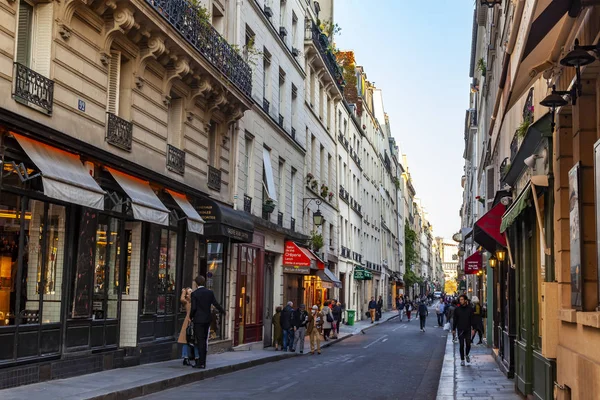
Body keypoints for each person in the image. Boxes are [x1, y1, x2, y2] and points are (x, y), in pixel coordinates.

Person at [190, 275, 226, 369]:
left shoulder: (194, 293)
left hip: (198, 320)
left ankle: (200, 363)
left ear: (196, 283)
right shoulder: (209, 292)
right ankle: (203, 362)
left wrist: (191, 317)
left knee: (200, 340)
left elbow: (193, 308)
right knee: (204, 340)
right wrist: (223, 311)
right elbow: (215, 303)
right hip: (207, 319)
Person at [178, 287, 198, 366]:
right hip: (188, 321)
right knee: (185, 341)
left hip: (195, 320)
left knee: (196, 341)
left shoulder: (195, 299)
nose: (191, 292)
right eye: (189, 291)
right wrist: (183, 292)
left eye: (191, 290)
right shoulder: (186, 300)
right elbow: (182, 299)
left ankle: (197, 357)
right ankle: (185, 358)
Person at [453, 294, 474, 366]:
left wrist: (473, 328)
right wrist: (453, 329)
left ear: (465, 300)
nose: (460, 301)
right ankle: (462, 359)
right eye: (460, 300)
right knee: (461, 345)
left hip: (468, 329)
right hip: (460, 329)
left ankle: (467, 354)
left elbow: (472, 319)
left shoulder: (470, 309)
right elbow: (455, 320)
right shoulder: (457, 309)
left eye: (462, 299)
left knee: (468, 344)